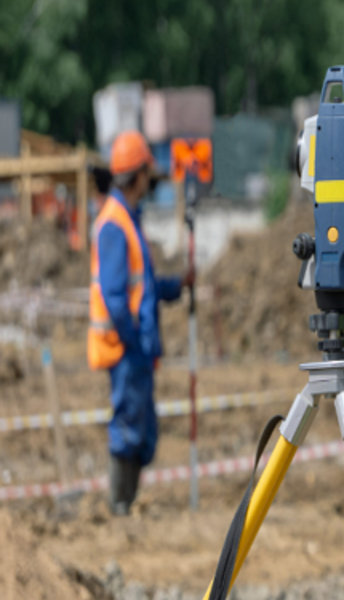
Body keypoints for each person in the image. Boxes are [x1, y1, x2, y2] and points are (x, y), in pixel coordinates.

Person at [88, 130, 193, 516]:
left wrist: (176, 286)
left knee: (143, 431)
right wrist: (134, 340)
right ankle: (120, 507)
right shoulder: (115, 224)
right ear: (138, 175)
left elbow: (142, 286)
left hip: (136, 346)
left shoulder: (127, 219)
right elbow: (116, 298)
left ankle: (125, 504)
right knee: (129, 427)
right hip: (125, 348)